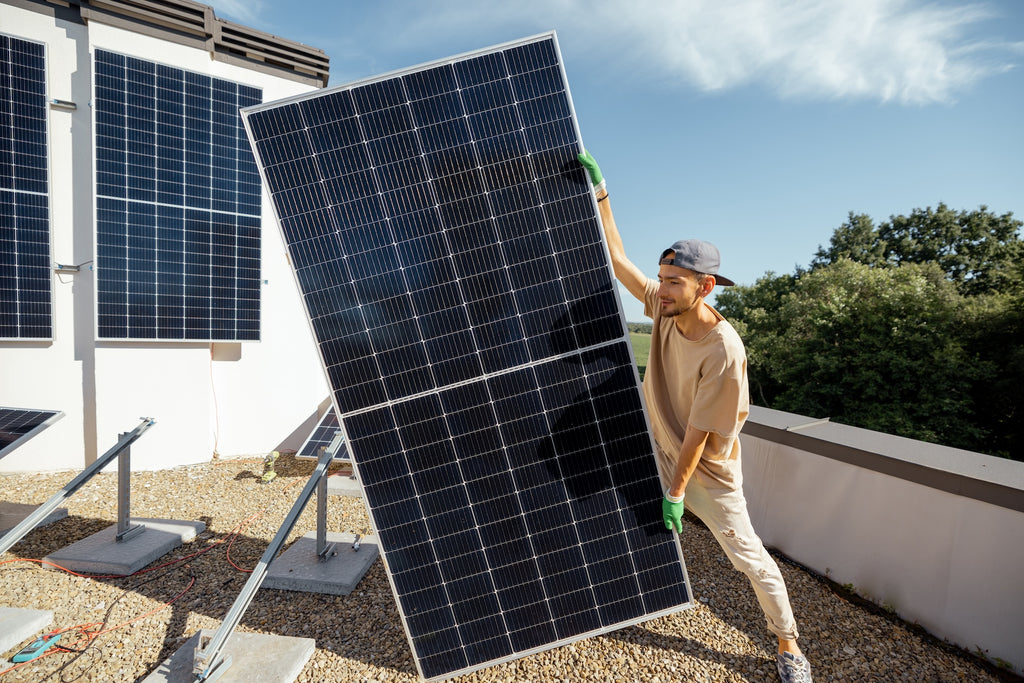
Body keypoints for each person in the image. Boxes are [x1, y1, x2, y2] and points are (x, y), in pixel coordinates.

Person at [577, 151, 813, 683]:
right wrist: (602, 194)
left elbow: (702, 439)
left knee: (749, 559)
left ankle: (788, 644)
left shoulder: (723, 351)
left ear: (705, 286)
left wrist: (677, 496)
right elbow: (617, 261)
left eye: (675, 281)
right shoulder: (664, 307)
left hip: (704, 470)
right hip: (658, 442)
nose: (661, 288)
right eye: (662, 277)